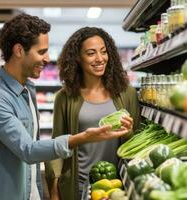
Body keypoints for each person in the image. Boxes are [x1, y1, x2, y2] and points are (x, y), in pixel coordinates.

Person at [0, 14, 133, 200]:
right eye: (41, 52)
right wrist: (82, 138)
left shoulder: (27, 91)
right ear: (19, 50)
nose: (47, 58)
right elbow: (28, 150)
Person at [46, 27, 140, 200]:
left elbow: (136, 142)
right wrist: (54, 189)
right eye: (91, 53)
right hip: (77, 185)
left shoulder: (127, 93)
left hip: (117, 185)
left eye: (104, 52)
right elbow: (57, 143)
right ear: (78, 59)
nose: (100, 59)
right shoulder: (65, 97)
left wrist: (129, 132)